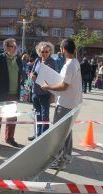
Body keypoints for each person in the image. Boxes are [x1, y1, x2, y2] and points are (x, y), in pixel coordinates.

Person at [42, 38, 83, 169]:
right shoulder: (75, 62)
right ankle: (67, 156)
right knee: (67, 131)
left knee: (59, 133)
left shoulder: (69, 65)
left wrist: (48, 87)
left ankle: (59, 159)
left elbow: (64, 86)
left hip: (65, 104)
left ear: (63, 50)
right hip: (73, 102)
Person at [0, 38, 23, 150]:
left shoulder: (18, 59)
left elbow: (20, 74)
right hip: (1, 94)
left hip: (14, 94)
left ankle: (10, 138)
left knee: (12, 118)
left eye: (16, 46)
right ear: (6, 47)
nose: (16, 49)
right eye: (13, 46)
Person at [28, 42, 56, 141]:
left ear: (50, 52)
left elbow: (53, 79)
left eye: (46, 51)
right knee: (38, 115)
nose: (44, 53)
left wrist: (53, 95)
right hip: (35, 92)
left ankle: (44, 136)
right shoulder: (37, 60)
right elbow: (32, 72)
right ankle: (38, 134)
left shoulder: (52, 62)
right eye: (42, 51)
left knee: (45, 116)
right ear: (39, 51)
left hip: (45, 94)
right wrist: (31, 75)